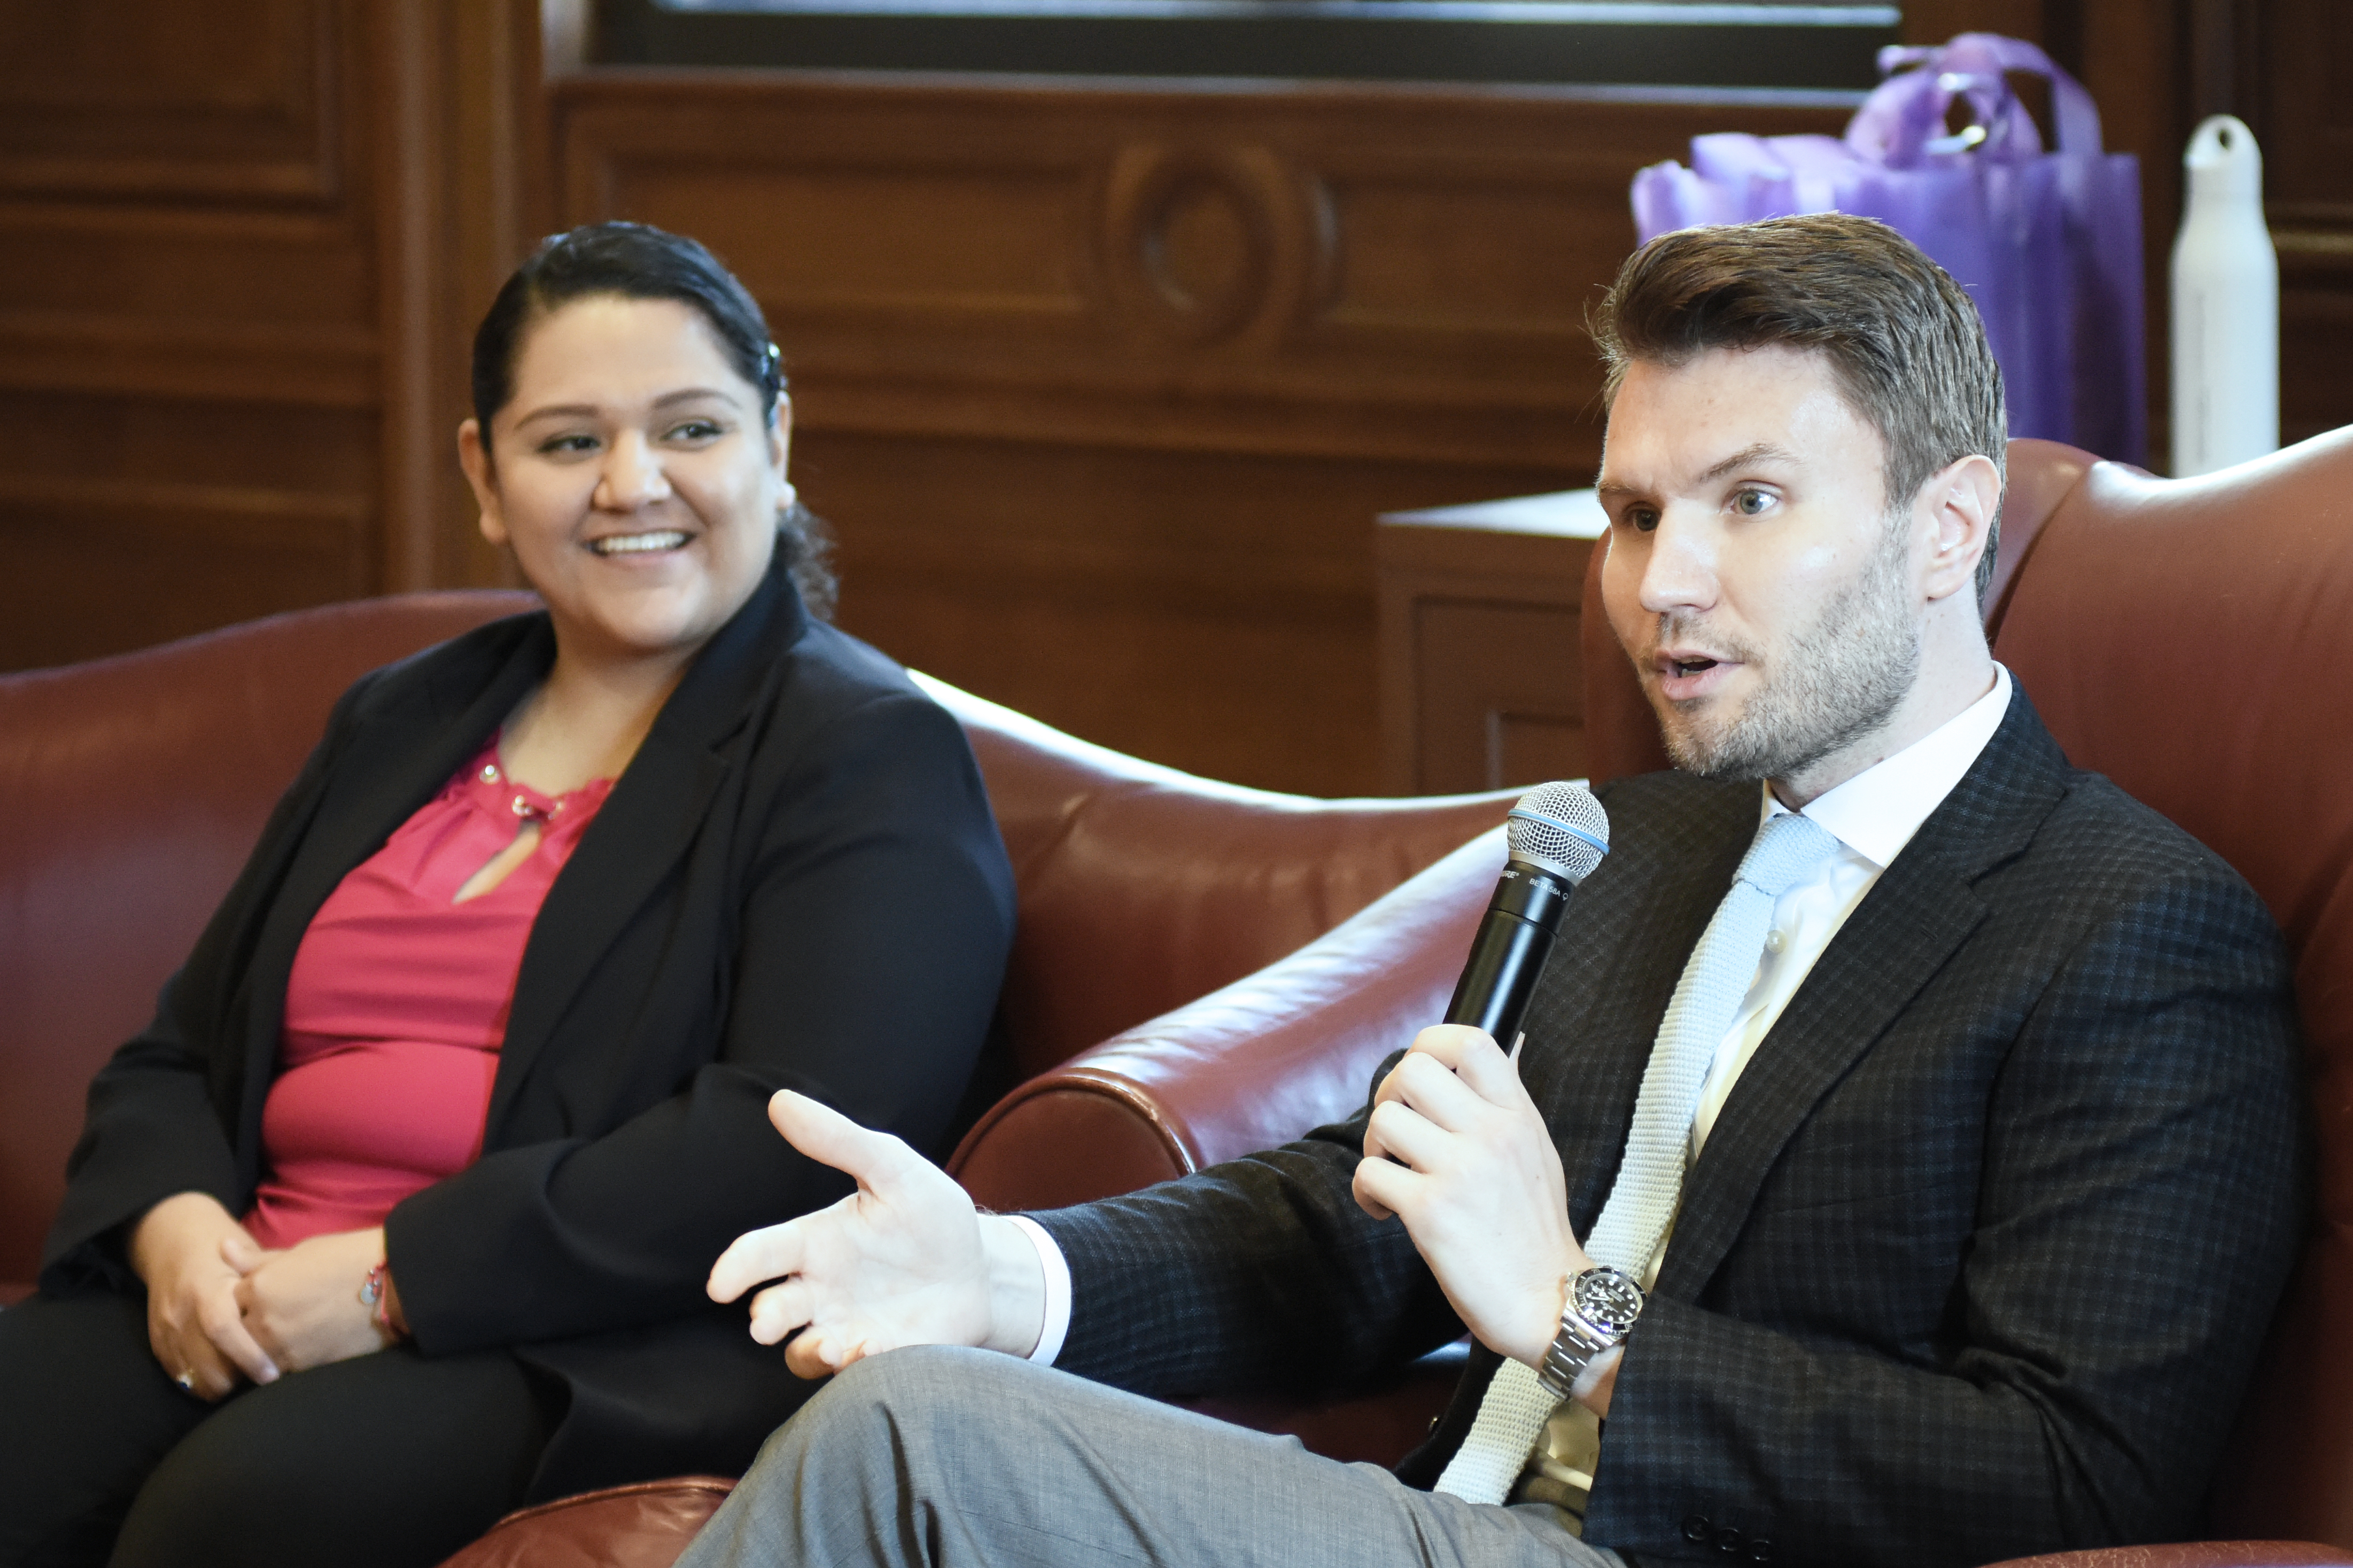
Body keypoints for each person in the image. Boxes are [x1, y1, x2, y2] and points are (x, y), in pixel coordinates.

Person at [674, 213, 2306, 1568]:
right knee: (920, 1395)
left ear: (1945, 526)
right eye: (1631, 514)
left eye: (1749, 501)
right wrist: (1004, 1279)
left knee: (909, 1442)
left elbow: (2073, 1479)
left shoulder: (2125, 929)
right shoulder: (1637, 843)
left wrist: (1572, 1312)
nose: (1660, 585)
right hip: (1443, 1516)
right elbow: (1365, 1226)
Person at [0, 222, 1017, 1568]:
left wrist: (396, 1280)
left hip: (574, 1330)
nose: (632, 483)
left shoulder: (863, 751)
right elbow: (182, 1046)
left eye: (692, 428)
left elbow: (782, 1141)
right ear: (486, 474)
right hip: (251, 1283)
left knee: (239, 1515)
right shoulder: (403, 716)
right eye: (567, 442)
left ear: (775, 443)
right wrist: (176, 1232)